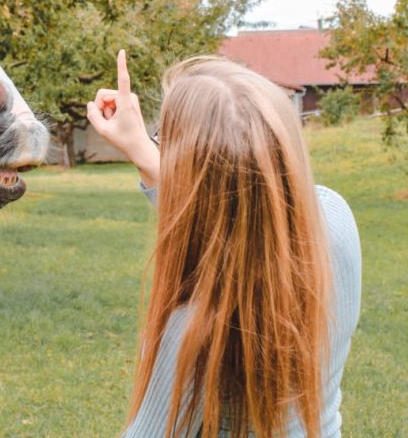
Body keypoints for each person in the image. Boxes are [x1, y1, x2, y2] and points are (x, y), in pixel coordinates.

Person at [87, 52, 361, 438]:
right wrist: (146, 155)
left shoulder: (196, 328)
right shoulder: (333, 217)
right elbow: (240, 215)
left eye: (165, 141)